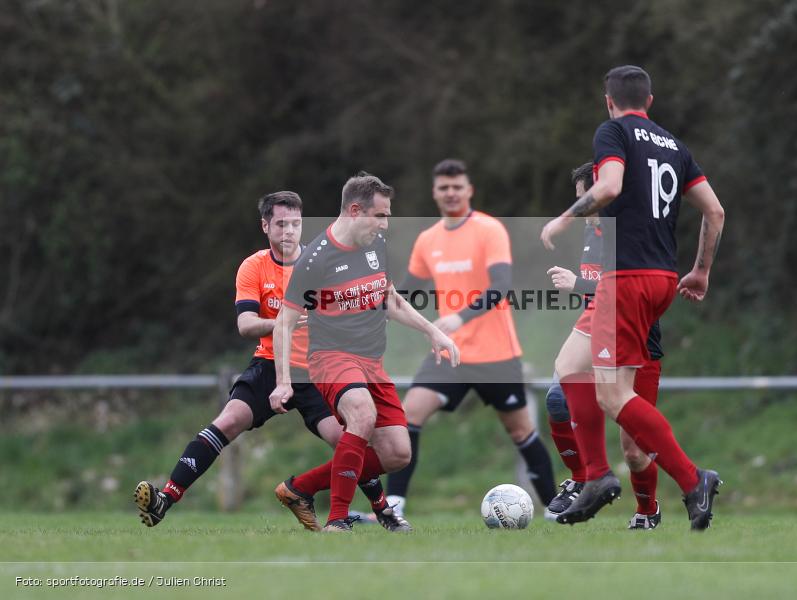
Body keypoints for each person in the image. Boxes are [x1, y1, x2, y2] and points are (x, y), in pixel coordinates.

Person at [133, 192, 394, 530]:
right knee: (228, 421)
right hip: (270, 364)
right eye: (281, 224)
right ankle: (165, 499)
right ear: (265, 225)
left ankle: (383, 510)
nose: (289, 231)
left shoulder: (321, 261)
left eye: (296, 224)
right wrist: (283, 321)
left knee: (348, 438)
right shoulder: (253, 267)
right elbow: (245, 325)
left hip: (318, 368)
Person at [541, 65, 726, 530]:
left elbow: (609, 187)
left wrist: (563, 218)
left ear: (609, 101)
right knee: (569, 367)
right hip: (661, 278)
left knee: (613, 395)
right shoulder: (675, 146)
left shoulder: (613, 132)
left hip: (626, 278)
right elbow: (716, 211)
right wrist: (701, 271)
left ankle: (689, 478)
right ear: (650, 99)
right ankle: (597, 477)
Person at [270, 172, 459, 532]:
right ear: (355, 211)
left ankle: (301, 488)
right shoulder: (315, 259)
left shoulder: (375, 246)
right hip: (332, 358)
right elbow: (284, 323)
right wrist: (283, 382)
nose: (385, 225)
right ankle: (337, 520)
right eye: (381, 215)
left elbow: (389, 300)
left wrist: (433, 331)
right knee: (362, 413)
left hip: (372, 362)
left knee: (397, 453)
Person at [385, 159, 557, 518]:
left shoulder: (489, 230)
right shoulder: (427, 239)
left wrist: (460, 315)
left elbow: (502, 286)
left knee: (522, 431)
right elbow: (406, 292)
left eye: (457, 187)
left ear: (469, 190)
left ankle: (556, 509)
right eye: (444, 188)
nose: (450, 193)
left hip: (496, 353)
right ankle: (394, 507)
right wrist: (372, 296)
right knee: (408, 414)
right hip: (450, 353)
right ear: (435, 193)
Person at [544, 162, 664, 529]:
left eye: (589, 203)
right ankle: (584, 477)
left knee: (635, 450)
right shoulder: (591, 232)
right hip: (600, 341)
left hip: (638, 344)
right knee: (557, 397)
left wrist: (577, 284)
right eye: (579, 204)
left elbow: (626, 294)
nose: (584, 213)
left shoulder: (628, 234)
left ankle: (647, 511)